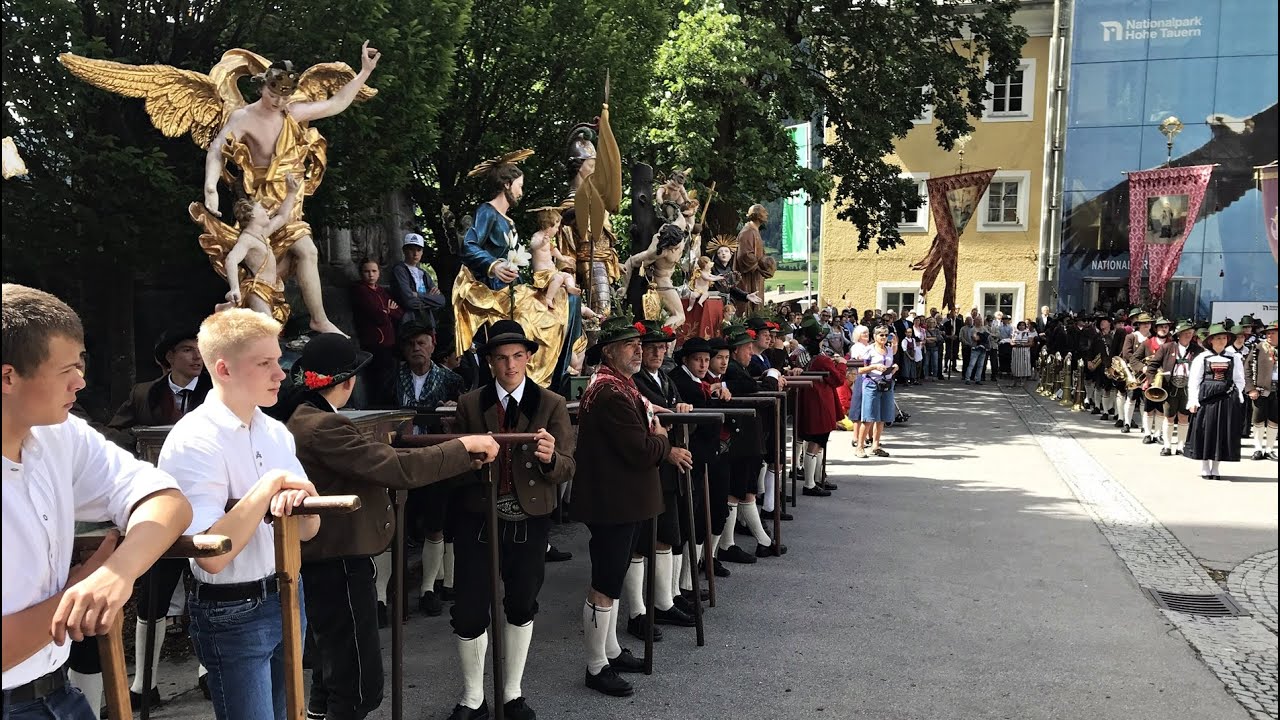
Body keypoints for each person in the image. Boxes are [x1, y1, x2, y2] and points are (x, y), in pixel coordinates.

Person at [268, 334, 496, 720]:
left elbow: (386, 457)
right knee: (358, 687)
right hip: (338, 561)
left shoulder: (306, 418)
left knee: (331, 678)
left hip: (328, 559)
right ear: (349, 381)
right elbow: (397, 468)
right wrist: (464, 446)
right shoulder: (322, 426)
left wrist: (456, 455)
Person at [2, 284, 192, 720]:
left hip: (58, 694)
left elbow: (166, 498)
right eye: (67, 368)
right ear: (9, 377)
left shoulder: (58, 433)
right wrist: (76, 594)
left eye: (82, 363)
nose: (81, 381)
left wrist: (115, 573)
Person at [157, 308, 322, 720]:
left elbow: (308, 530)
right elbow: (211, 555)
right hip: (232, 608)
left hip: (287, 590)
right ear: (224, 369)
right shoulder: (194, 440)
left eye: (278, 360)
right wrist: (268, 488)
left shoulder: (276, 431)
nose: (281, 374)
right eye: (264, 363)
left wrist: (303, 494)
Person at [194, 46, 381, 335]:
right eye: (274, 94)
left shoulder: (291, 112)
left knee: (307, 250)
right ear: (262, 87)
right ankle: (248, 319)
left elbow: (336, 103)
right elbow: (217, 149)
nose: (279, 101)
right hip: (261, 204)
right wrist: (210, 187)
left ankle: (318, 318)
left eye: (284, 96)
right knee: (264, 271)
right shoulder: (243, 117)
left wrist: (364, 72)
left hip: (290, 199)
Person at [443, 320, 574, 720]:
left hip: (530, 518)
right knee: (467, 608)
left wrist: (550, 459)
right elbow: (451, 469)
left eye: (518, 356)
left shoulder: (551, 403)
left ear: (529, 358)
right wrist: (471, 461)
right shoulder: (469, 403)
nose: (510, 365)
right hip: (478, 519)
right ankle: (472, 698)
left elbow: (568, 466)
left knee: (521, 604)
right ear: (489, 362)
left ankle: (512, 693)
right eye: (501, 358)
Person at [104, 327, 214, 706]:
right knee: (154, 595)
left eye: (199, 350)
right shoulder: (143, 393)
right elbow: (114, 434)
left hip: (203, 505)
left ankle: (208, 674)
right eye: (187, 350)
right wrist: (138, 447)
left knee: (205, 589)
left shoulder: (214, 392)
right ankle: (143, 686)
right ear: (168, 357)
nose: (196, 357)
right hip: (155, 506)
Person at [572, 317, 682, 698]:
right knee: (604, 583)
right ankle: (595, 666)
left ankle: (611, 650)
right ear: (608, 352)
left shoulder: (619, 385)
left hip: (621, 500)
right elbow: (640, 451)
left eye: (638, 344)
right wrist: (664, 442)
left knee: (613, 578)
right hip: (612, 502)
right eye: (628, 345)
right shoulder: (611, 393)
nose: (637, 350)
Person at [627, 322, 698, 639]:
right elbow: (643, 427)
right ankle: (643, 610)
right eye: (651, 346)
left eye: (662, 346)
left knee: (668, 534)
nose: (658, 352)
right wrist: (668, 437)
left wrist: (681, 411)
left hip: (669, 468)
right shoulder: (636, 382)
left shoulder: (665, 379)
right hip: (649, 468)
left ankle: (665, 600)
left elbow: (678, 419)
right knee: (643, 541)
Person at [393, 323, 467, 619]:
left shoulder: (451, 379)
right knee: (398, 523)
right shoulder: (393, 376)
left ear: (433, 344)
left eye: (421, 342)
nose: (416, 349)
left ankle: (428, 589)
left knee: (435, 524)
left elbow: (460, 418)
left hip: (435, 458)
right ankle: (390, 596)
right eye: (411, 344)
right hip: (399, 458)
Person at [216, 174, 302, 319]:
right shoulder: (246, 239)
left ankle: (226, 310)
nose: (267, 212)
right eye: (262, 209)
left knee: (266, 329)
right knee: (267, 329)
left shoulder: (262, 235)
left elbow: (282, 217)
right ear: (252, 216)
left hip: (270, 290)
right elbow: (231, 260)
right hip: (257, 290)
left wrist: (292, 193)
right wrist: (235, 288)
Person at [1185, 324, 1246, 479]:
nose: (1221, 341)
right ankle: (1205, 465)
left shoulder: (1234, 358)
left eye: (1224, 338)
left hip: (1226, 398)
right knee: (1207, 429)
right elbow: (1194, 381)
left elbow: (1239, 379)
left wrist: (1238, 395)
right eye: (1218, 338)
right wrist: (1193, 400)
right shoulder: (1202, 358)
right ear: (1211, 340)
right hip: (1206, 397)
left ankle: (1217, 466)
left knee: (1222, 430)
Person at [795, 317, 843, 494]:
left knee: (818, 443)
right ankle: (810, 483)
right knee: (816, 443)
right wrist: (842, 365)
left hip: (812, 402)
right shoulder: (822, 360)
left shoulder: (803, 356)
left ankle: (818, 477)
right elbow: (838, 379)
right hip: (821, 403)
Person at [350, 258, 404, 407]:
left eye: (374, 271)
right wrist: (387, 311)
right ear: (361, 273)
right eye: (367, 271)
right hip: (373, 343)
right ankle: (377, 407)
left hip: (389, 342)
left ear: (379, 273)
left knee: (389, 378)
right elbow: (376, 315)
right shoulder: (359, 290)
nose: (371, 274)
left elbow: (398, 312)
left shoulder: (382, 291)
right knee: (377, 380)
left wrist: (388, 311)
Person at [1145, 321, 1202, 456]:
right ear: (1178, 335)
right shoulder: (1167, 348)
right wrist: (1153, 382)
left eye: (1190, 332)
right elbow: (1152, 365)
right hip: (1170, 387)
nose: (1189, 335)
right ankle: (1167, 445)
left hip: (1188, 388)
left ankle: (1181, 446)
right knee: (1169, 417)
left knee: (1184, 417)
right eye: (1185, 333)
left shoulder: (1197, 350)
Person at [527, 207, 582, 311]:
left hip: (552, 272)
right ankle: (548, 298)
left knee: (567, 276)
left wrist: (564, 259)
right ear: (549, 226)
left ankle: (570, 287)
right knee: (558, 278)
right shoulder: (538, 237)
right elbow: (533, 246)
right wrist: (541, 243)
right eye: (556, 227)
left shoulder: (548, 240)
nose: (557, 230)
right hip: (542, 274)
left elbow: (553, 250)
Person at [391, 233, 446, 334]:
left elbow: (441, 300)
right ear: (404, 250)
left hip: (428, 322)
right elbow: (408, 302)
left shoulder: (424, 273)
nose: (415, 253)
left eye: (418, 250)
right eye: (411, 249)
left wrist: (417, 295)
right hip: (409, 322)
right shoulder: (399, 270)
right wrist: (430, 299)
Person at [860, 326, 897, 458]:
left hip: (886, 384)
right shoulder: (869, 350)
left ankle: (876, 445)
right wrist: (875, 366)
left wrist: (893, 368)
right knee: (868, 417)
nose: (883, 337)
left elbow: (890, 365)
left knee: (881, 418)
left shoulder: (889, 350)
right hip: (871, 383)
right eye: (880, 335)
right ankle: (860, 446)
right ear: (875, 336)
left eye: (885, 335)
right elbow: (860, 370)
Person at [733, 205, 774, 316]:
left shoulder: (755, 231)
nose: (767, 214)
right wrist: (759, 266)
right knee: (749, 307)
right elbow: (744, 255)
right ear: (756, 215)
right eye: (764, 211)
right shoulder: (747, 232)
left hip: (756, 276)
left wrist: (767, 262)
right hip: (748, 277)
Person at [1245, 322, 1278, 459]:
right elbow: (1247, 368)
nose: (1269, 335)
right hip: (1261, 389)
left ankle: (1270, 449)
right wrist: (1251, 388)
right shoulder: (1259, 348)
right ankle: (1258, 448)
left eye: (1272, 333)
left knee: (1274, 420)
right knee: (1258, 419)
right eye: (1267, 333)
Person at [1119, 313, 1155, 433]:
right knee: (1131, 398)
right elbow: (1126, 354)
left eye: (1149, 323)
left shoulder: (1153, 338)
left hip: (1148, 372)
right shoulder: (1131, 337)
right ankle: (1127, 423)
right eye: (1144, 323)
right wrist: (1140, 365)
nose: (1147, 325)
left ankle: (1145, 426)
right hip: (1133, 372)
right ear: (1138, 325)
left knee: (1145, 400)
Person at [964, 316, 989, 385]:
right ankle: (967, 378)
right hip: (975, 348)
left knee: (980, 365)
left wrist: (980, 336)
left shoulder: (984, 328)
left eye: (981, 320)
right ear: (975, 321)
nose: (980, 321)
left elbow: (988, 337)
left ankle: (978, 379)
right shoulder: (973, 329)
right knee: (971, 364)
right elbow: (975, 339)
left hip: (983, 349)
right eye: (978, 320)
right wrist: (983, 337)